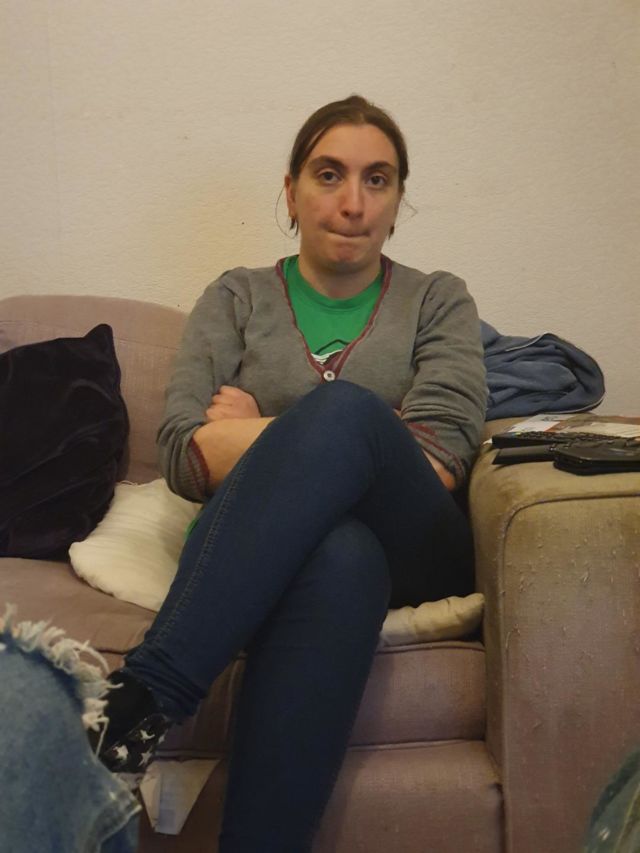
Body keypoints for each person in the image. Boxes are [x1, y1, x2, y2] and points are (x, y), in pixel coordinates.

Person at [90, 94, 488, 852]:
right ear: (291, 190)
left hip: (414, 543)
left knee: (345, 415)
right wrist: (353, 432)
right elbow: (182, 454)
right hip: (284, 549)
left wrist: (265, 427)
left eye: (377, 179)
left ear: (398, 200)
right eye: (328, 174)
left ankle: (146, 692)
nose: (351, 202)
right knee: (339, 551)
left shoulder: (437, 298)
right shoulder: (236, 296)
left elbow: (436, 457)